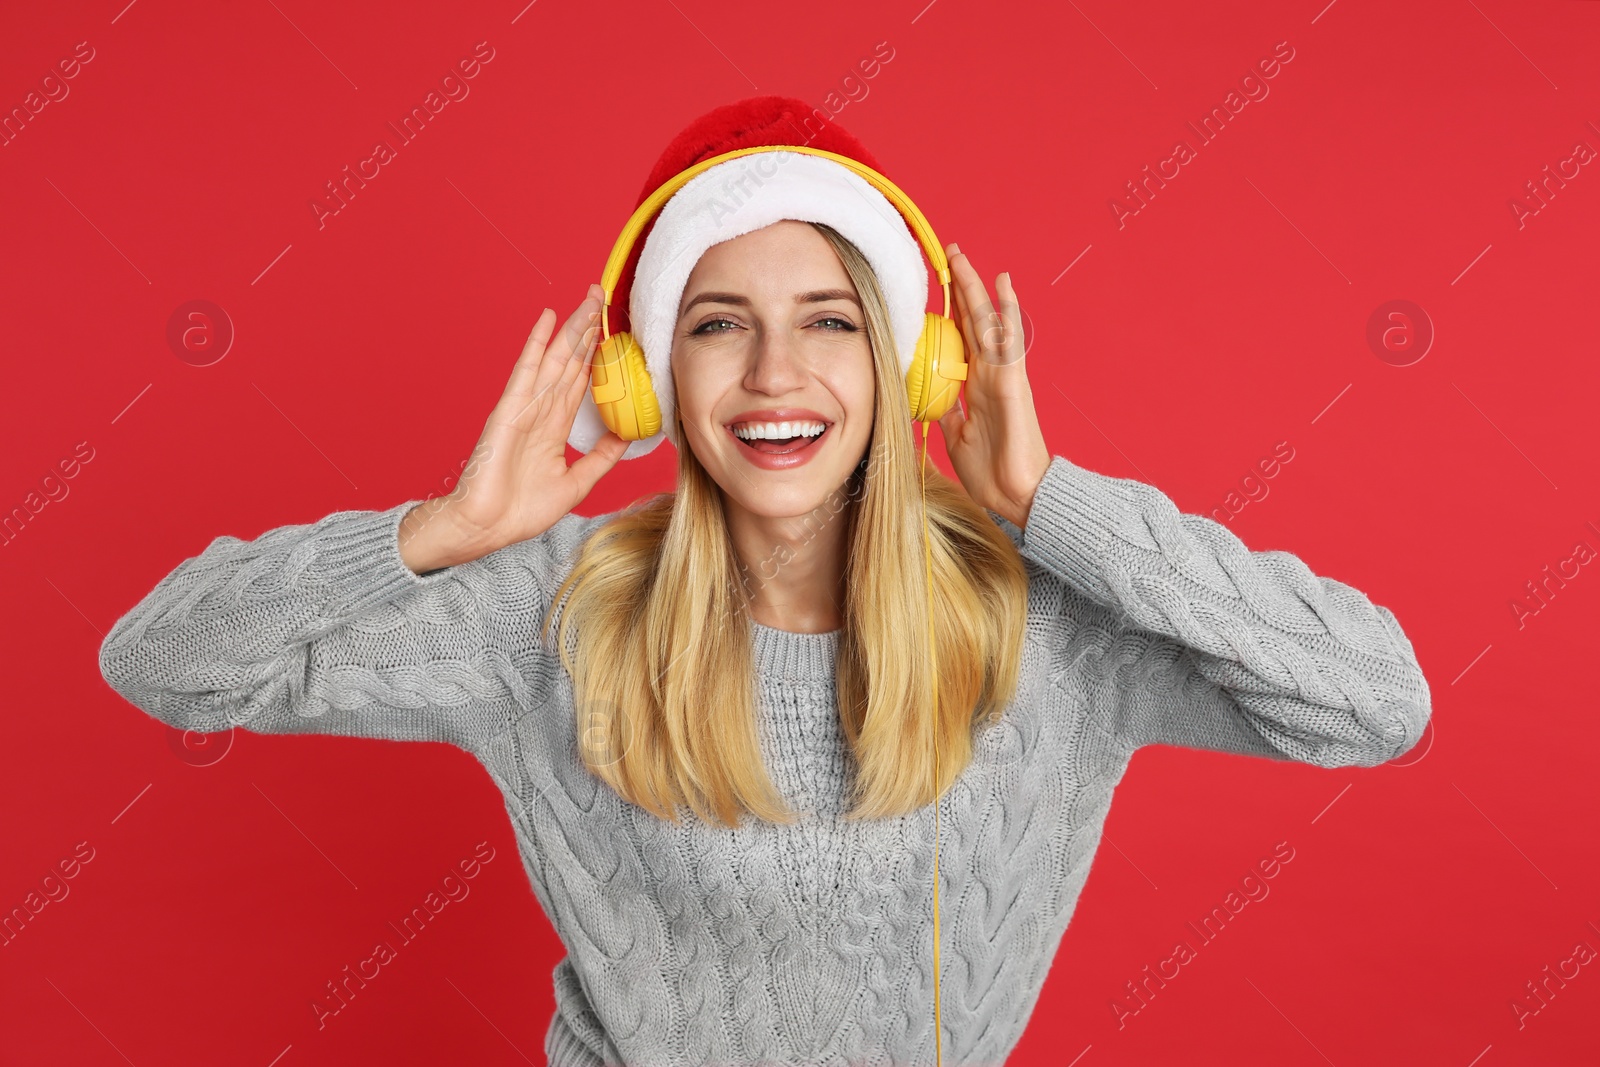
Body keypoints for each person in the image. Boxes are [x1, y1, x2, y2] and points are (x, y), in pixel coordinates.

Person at [98, 97, 1432, 1066]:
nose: (775, 377)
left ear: (913, 369)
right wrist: (441, 531)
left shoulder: (1045, 629)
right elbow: (161, 660)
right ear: (652, 380)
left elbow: (1375, 701)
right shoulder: (554, 618)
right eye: (718, 325)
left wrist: (1050, 505)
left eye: (830, 324)